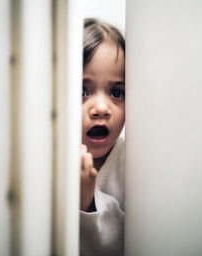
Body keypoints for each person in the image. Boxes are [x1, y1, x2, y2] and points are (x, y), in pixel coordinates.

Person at [80, 18, 125, 256]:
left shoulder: (130, 162)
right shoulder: (47, 158)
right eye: (82, 91)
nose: (100, 108)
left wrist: (87, 203)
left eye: (117, 92)